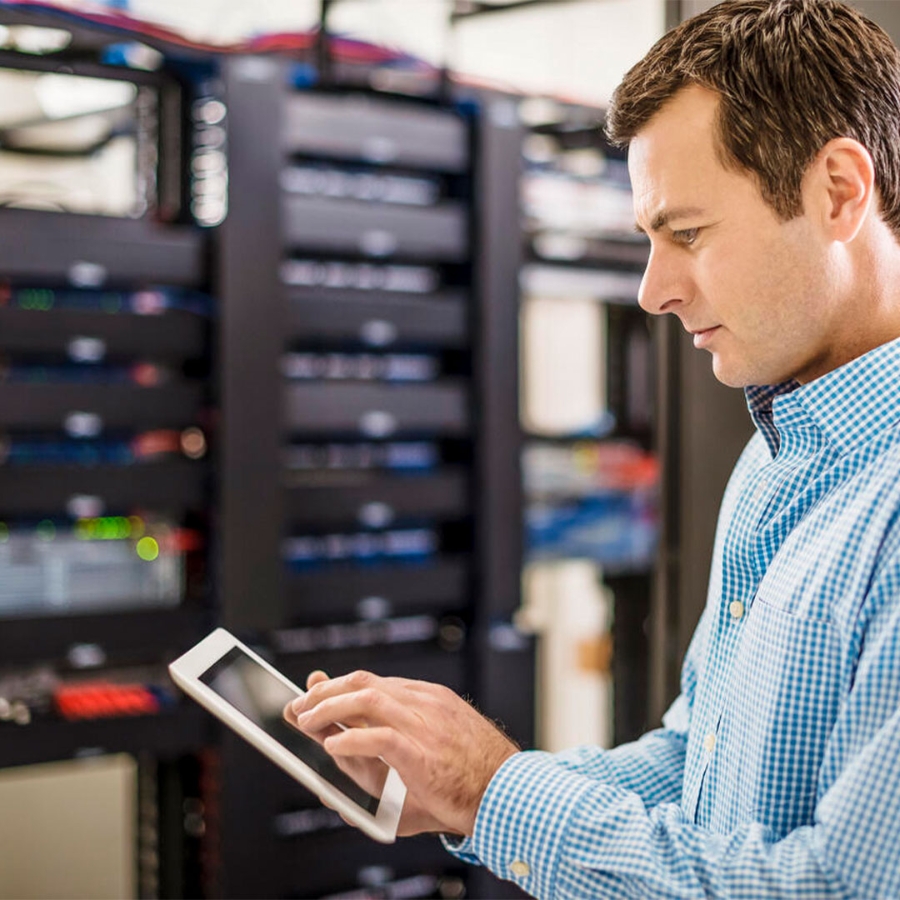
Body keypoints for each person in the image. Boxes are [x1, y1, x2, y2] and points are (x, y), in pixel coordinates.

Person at [288, 0, 900, 895]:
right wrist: (462, 791)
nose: (653, 291)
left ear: (838, 191)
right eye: (650, 239)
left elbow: (836, 889)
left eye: (687, 233)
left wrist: (493, 788)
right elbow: (698, 762)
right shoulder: (781, 455)